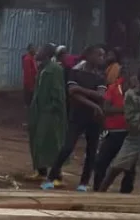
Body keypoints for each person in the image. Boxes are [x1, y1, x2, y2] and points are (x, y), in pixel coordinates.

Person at [42, 45, 108, 191]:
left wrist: (81, 90)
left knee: (91, 151)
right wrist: (94, 104)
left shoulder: (101, 76)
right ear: (89, 55)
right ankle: (51, 178)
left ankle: (83, 183)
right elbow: (72, 93)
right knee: (67, 147)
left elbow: (101, 95)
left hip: (95, 118)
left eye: (103, 56)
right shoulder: (74, 73)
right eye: (99, 55)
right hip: (77, 116)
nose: (101, 58)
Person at [99, 66, 140, 195]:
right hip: (135, 137)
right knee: (117, 166)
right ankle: (101, 191)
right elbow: (132, 120)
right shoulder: (131, 95)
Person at [25, 44, 67, 181]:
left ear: (48, 53)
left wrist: (52, 109)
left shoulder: (55, 69)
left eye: (41, 49)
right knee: (37, 141)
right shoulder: (42, 68)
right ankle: (40, 170)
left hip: (50, 112)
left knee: (52, 142)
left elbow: (58, 93)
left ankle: (57, 175)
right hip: (38, 111)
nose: (38, 51)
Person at [93, 66, 136, 193]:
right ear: (125, 75)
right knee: (101, 162)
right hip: (113, 133)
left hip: (130, 134)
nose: (134, 78)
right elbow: (106, 109)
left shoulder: (138, 91)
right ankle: (98, 190)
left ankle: (125, 193)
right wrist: (127, 110)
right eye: (131, 74)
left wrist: (118, 111)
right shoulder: (113, 88)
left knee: (129, 168)